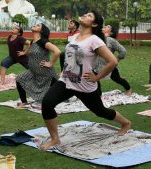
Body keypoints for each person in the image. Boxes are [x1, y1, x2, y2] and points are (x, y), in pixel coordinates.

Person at [40, 10, 131, 150]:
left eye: (89, 16)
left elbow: (112, 61)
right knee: (47, 103)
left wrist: (97, 77)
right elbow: (70, 57)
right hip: (66, 81)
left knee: (101, 111)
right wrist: (64, 71)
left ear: (94, 23)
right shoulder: (75, 36)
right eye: (86, 14)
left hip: (85, 85)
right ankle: (55, 139)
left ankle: (125, 123)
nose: (84, 15)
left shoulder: (95, 40)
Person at [15, 23, 60, 108]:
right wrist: (24, 52)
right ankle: (24, 102)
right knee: (19, 79)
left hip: (46, 74)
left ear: (41, 31)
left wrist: (50, 63)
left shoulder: (43, 41)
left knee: (62, 94)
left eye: (38, 25)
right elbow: (30, 50)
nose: (35, 25)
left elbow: (57, 51)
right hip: (34, 72)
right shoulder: (33, 41)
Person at [93, 24, 132, 96]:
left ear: (111, 33)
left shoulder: (111, 40)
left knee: (117, 79)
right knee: (93, 78)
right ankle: (97, 95)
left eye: (108, 27)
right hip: (96, 65)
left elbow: (123, 51)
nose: (105, 26)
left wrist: (116, 60)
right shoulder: (98, 38)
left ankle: (128, 88)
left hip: (109, 65)